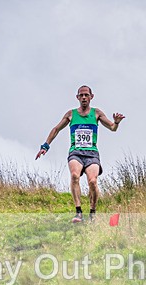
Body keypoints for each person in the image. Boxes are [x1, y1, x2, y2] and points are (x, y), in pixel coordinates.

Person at [35, 85, 125, 223]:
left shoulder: (96, 113)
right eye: (81, 95)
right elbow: (56, 129)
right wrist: (45, 146)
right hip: (76, 152)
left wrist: (116, 122)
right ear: (77, 97)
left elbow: (112, 128)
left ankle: (92, 212)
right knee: (74, 175)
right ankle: (78, 212)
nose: (84, 97)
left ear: (91, 97)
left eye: (86, 95)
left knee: (93, 181)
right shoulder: (71, 114)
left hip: (92, 153)